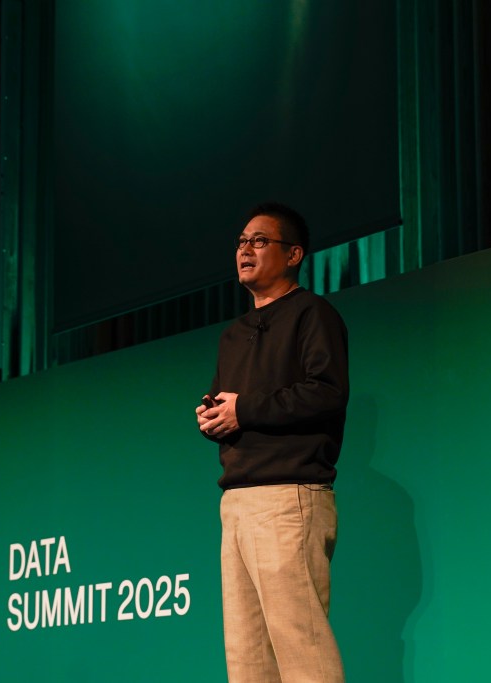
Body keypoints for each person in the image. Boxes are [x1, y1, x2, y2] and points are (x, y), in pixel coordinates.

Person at [196, 202, 349, 682]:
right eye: (242, 242)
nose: (246, 249)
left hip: (288, 498)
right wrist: (213, 415)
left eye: (260, 241)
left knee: (303, 651)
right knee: (247, 661)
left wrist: (244, 409)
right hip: (237, 503)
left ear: (293, 254)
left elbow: (326, 393)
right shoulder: (232, 335)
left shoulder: (313, 314)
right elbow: (231, 401)